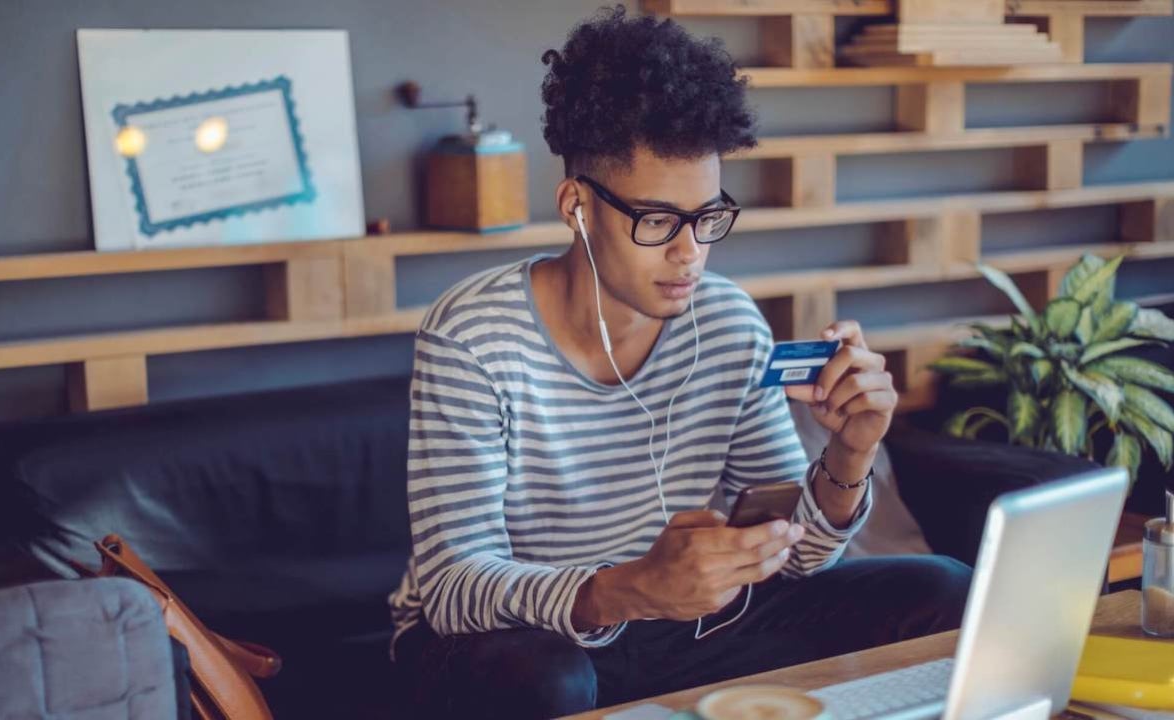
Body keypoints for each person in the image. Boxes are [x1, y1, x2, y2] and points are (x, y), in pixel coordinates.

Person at [388, 6, 972, 718]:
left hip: (680, 627)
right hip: (515, 641)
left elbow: (796, 556)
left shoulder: (725, 321)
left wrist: (850, 456)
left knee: (943, 588)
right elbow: (453, 588)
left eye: (707, 218)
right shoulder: (472, 335)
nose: (689, 253)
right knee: (549, 684)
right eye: (658, 221)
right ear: (576, 206)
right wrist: (628, 586)